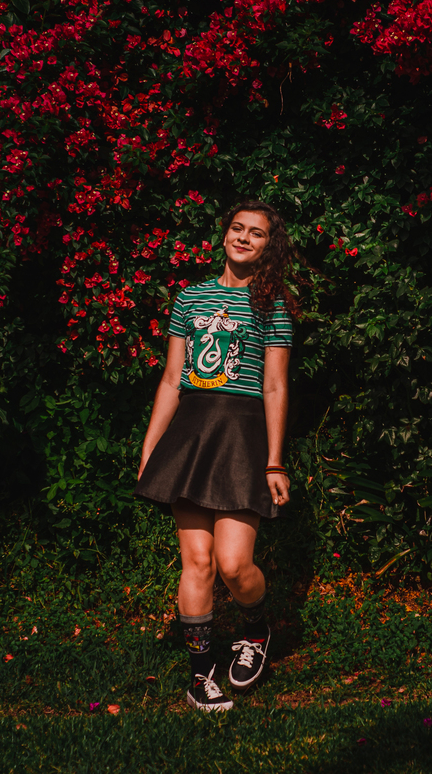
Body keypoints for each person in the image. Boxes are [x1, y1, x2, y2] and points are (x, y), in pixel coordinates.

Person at [134, 200, 298, 712]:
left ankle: (254, 630)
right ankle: (200, 677)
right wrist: (149, 450)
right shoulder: (190, 297)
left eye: (257, 233)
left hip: (242, 436)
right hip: (191, 436)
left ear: (270, 246)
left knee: (233, 564)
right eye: (237, 228)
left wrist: (274, 461)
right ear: (224, 234)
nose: (245, 238)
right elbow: (170, 380)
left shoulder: (274, 303)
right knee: (197, 563)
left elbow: (274, 386)